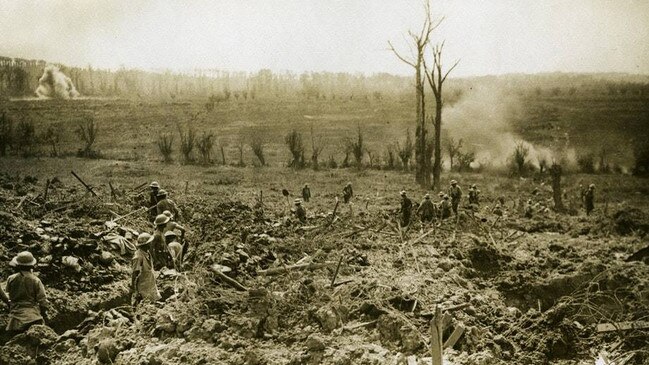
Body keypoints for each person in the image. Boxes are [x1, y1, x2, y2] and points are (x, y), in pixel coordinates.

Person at [5, 251, 49, 334]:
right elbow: (43, 301)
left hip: (15, 319)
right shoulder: (36, 280)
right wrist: (44, 314)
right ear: (32, 265)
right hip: (33, 318)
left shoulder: (11, 278)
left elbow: (8, 295)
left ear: (17, 265)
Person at [131, 233, 161, 305]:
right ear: (145, 244)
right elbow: (135, 273)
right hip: (143, 286)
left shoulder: (147, 253)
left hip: (150, 283)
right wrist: (134, 290)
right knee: (144, 304)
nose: (152, 244)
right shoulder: (138, 256)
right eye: (150, 243)